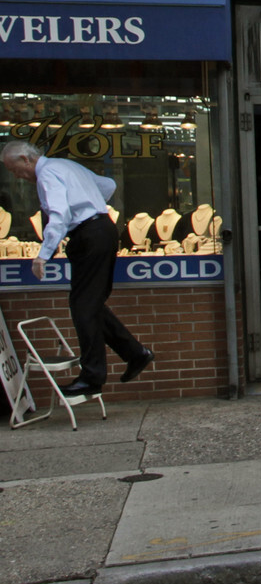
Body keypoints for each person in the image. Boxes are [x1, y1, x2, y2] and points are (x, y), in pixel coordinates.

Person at [0, 140, 152, 399]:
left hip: (89, 234)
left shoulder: (46, 174)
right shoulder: (65, 165)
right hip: (100, 229)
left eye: (14, 169)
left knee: (83, 306)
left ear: (26, 160)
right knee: (89, 304)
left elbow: (59, 215)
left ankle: (92, 377)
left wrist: (43, 255)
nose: (16, 175)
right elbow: (108, 186)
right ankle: (135, 354)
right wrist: (89, 203)